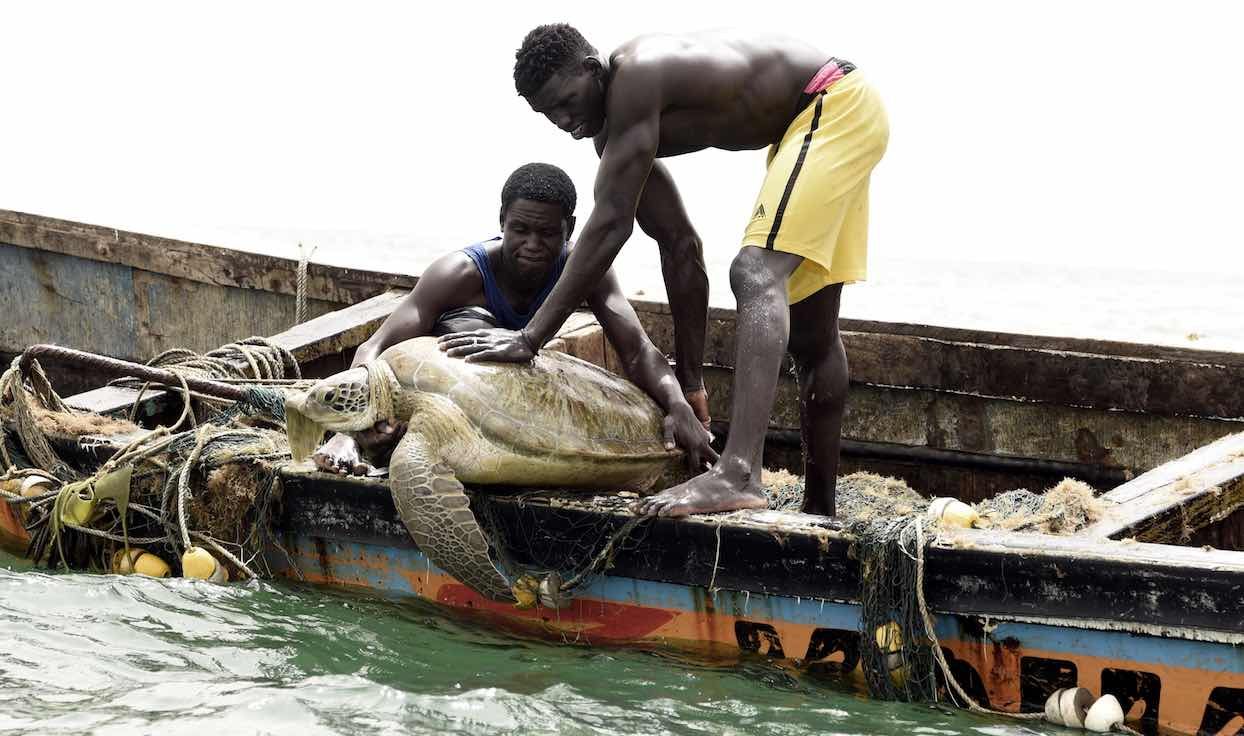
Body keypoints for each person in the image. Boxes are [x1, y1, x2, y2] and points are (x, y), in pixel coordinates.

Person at [439, 26, 888, 517]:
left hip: (828, 103)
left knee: (756, 272)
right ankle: (820, 513)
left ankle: (739, 472)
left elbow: (609, 228)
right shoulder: (616, 135)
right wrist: (691, 385)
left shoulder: (637, 76)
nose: (565, 122)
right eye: (549, 115)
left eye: (568, 102)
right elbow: (681, 249)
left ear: (592, 68)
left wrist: (530, 337)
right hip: (816, 127)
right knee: (811, 334)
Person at [312, 162, 715, 476]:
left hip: (515, 415)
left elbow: (638, 350)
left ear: (570, 229)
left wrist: (678, 404)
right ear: (502, 219)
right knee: (470, 325)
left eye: (547, 234)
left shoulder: (584, 268)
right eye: (519, 230)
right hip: (445, 408)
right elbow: (375, 348)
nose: (532, 245)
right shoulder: (459, 274)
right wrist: (350, 427)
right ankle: (355, 444)